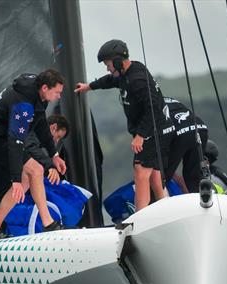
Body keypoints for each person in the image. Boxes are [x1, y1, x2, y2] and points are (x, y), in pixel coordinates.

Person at [0, 70, 67, 244]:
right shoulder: (24, 104)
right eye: (57, 92)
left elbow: (41, 127)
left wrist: (54, 155)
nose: (59, 96)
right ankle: (48, 224)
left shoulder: (38, 95)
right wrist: (15, 179)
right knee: (34, 171)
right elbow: (15, 141)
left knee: (29, 177)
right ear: (45, 88)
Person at [74, 39, 174, 211]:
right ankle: (166, 209)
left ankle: (140, 216)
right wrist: (89, 87)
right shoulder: (126, 73)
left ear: (118, 61)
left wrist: (140, 136)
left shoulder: (137, 80)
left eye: (108, 64)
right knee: (155, 175)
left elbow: (154, 109)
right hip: (157, 129)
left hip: (153, 130)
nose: (107, 68)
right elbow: (110, 81)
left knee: (141, 171)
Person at [163, 96, 209, 193]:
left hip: (181, 131)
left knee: (161, 175)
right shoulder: (169, 99)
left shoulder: (147, 103)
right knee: (194, 177)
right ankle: (200, 200)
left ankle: (156, 201)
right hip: (200, 127)